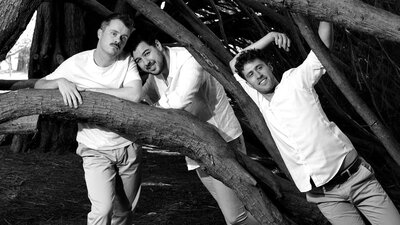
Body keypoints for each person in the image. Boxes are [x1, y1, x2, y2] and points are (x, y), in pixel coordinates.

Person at [230, 22, 400, 225]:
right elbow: (234, 64)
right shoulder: (259, 100)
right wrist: (271, 36)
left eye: (260, 67)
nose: (257, 75)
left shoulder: (295, 79)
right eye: (250, 74)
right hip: (325, 197)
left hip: (357, 179)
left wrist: (325, 15)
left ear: (270, 67)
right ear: (248, 83)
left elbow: (322, 46)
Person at [127, 31, 259, 225]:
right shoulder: (155, 74)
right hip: (195, 149)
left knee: (236, 217)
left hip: (222, 143)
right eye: (138, 60)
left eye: (147, 53)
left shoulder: (189, 60)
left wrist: (152, 109)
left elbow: (179, 101)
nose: (145, 62)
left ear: (158, 44)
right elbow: (140, 95)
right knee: (237, 212)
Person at [34, 13, 143, 225]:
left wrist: (90, 92)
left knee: (125, 212)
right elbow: (39, 85)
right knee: (102, 211)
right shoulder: (77, 63)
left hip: (128, 147)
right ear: (100, 33)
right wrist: (61, 81)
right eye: (113, 33)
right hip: (94, 148)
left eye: (123, 37)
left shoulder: (126, 60)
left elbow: (135, 95)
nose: (118, 40)